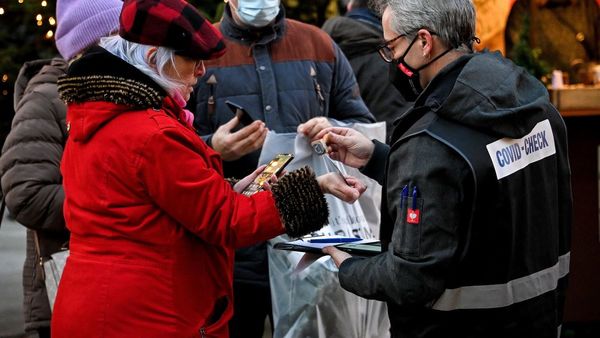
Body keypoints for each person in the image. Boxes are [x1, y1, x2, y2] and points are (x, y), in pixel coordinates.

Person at [49, 0, 365, 337]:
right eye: (193, 60)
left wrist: (232, 189)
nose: (201, 72)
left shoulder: (101, 115)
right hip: (144, 315)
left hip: (103, 304)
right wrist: (314, 187)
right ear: (156, 60)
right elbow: (227, 221)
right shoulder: (153, 133)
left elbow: (156, 206)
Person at [317, 0, 572, 337]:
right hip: (538, 320)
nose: (391, 61)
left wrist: (347, 267)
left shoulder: (430, 143)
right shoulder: (538, 111)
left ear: (424, 42)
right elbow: (476, 191)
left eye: (392, 47)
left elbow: (409, 278)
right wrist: (379, 158)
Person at [191, 1, 375, 336]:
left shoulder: (319, 45)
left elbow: (362, 125)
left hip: (310, 244)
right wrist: (212, 148)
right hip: (234, 250)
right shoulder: (200, 49)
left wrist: (331, 125)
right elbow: (172, 141)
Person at [0, 0, 122, 337]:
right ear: (92, 41)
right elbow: (27, 194)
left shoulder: (120, 91)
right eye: (118, 33)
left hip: (117, 286)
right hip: (63, 287)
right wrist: (115, 203)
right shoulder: (47, 97)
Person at [322, 0, 411, 142]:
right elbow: (397, 133)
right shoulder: (390, 64)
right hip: (376, 157)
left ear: (350, 7)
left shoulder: (316, 55)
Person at [505, 0, 600, 82]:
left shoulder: (588, 6)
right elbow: (516, 58)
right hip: (540, 95)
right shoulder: (525, 6)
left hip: (585, 94)